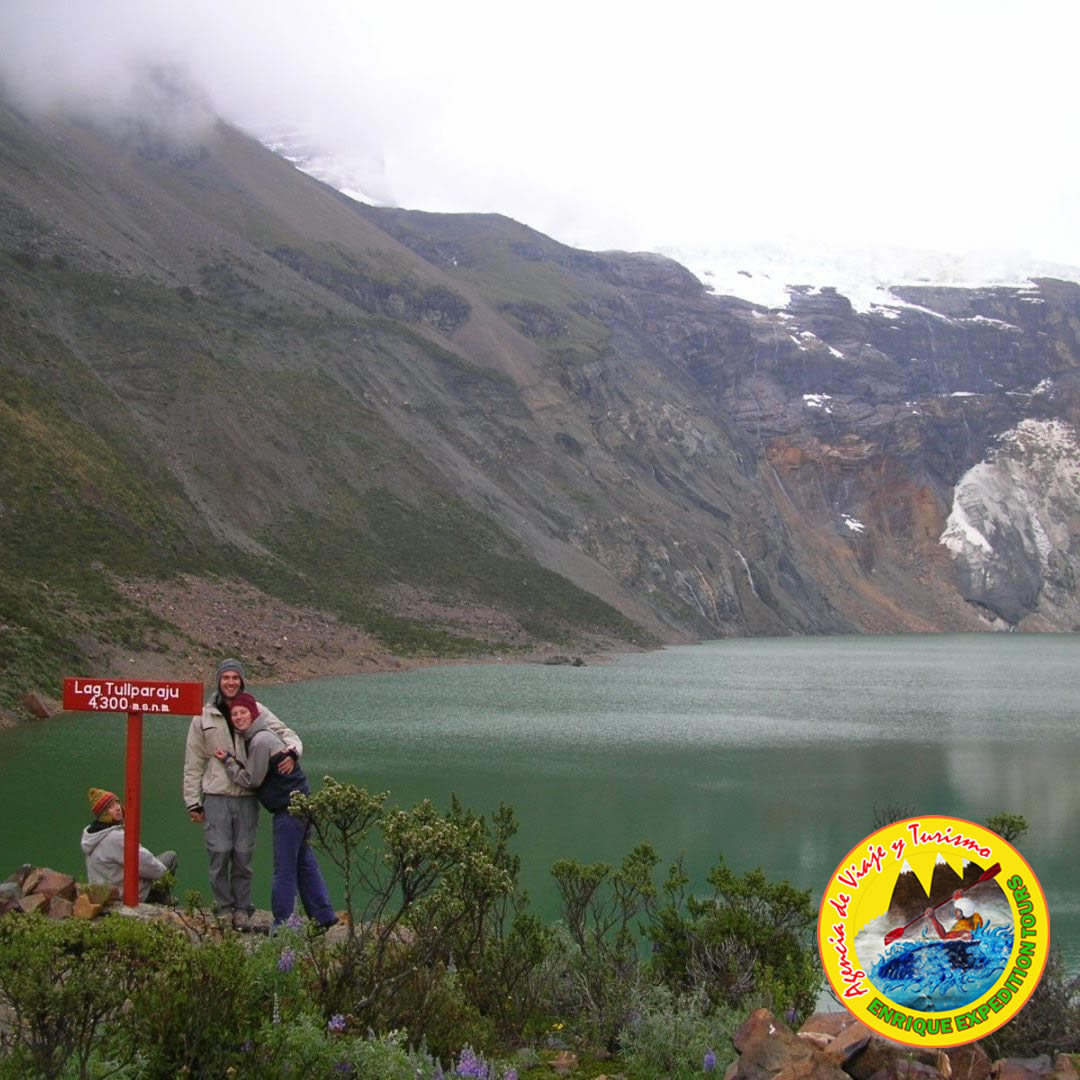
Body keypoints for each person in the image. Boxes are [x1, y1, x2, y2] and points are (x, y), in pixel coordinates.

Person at [183, 658, 304, 930]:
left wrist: (293, 752)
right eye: (226, 677)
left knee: (242, 856)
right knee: (218, 852)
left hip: (249, 795)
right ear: (218, 680)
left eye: (235, 677)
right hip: (216, 794)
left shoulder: (257, 709)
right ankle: (223, 907)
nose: (230, 682)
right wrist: (192, 801)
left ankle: (242, 909)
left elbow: (286, 733)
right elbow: (193, 762)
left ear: (242, 681)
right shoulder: (203, 716)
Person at [214, 692, 338, 931]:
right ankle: (323, 916)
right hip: (302, 804)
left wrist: (229, 761)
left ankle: (284, 925)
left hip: (288, 810)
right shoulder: (262, 736)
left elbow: (252, 779)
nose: (238, 717)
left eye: (243, 712)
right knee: (303, 862)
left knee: (284, 869)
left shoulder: (260, 740)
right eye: (234, 714)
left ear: (254, 714)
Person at [81, 787, 177, 902]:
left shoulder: (92, 835)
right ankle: (159, 898)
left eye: (117, 803)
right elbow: (143, 861)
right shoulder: (114, 838)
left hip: (106, 891)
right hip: (127, 893)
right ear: (103, 814)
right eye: (110, 807)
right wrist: (164, 875)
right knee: (169, 858)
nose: (117, 808)